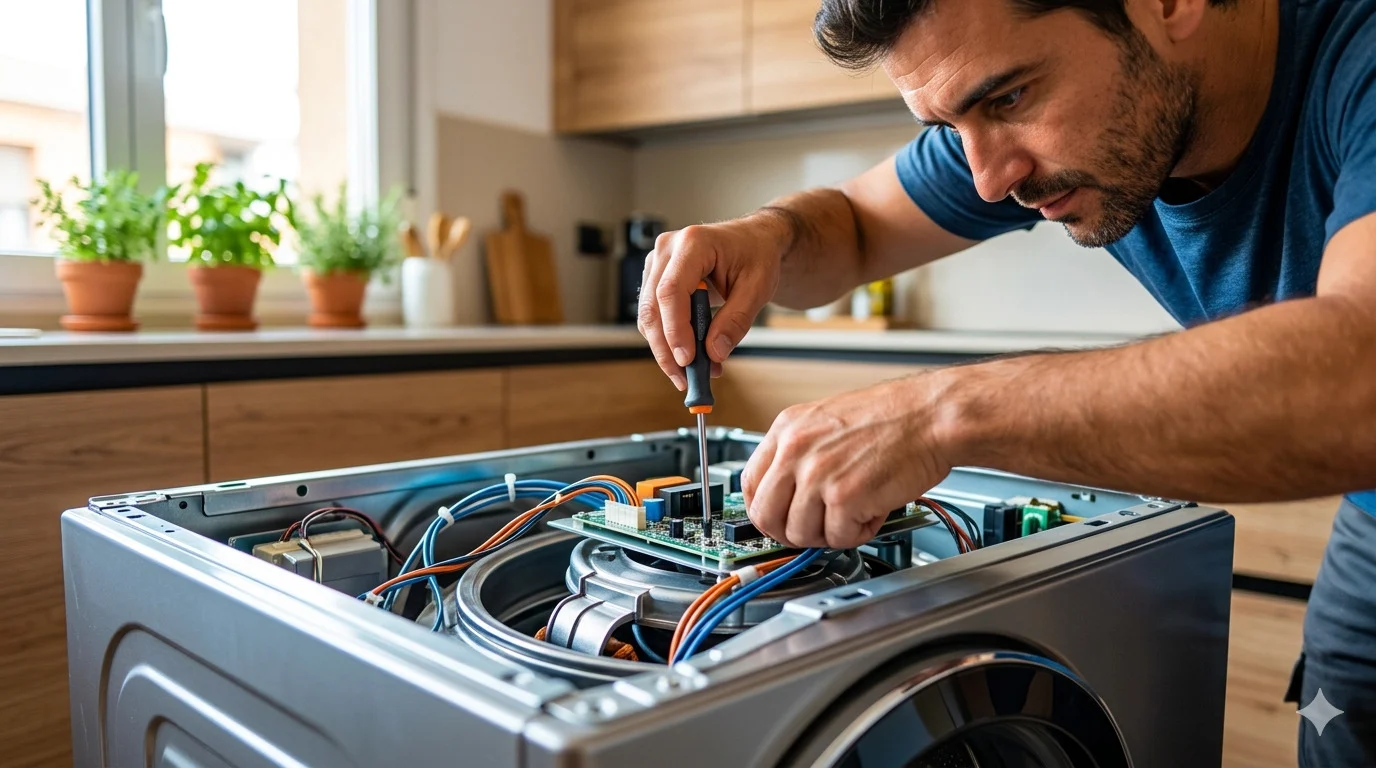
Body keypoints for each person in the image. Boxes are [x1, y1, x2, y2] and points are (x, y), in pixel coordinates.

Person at [634, 0, 1376, 763]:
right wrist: (768, 234)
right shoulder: (1015, 118)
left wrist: (939, 413)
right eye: (948, 129)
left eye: (1011, 98)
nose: (988, 181)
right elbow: (854, 225)